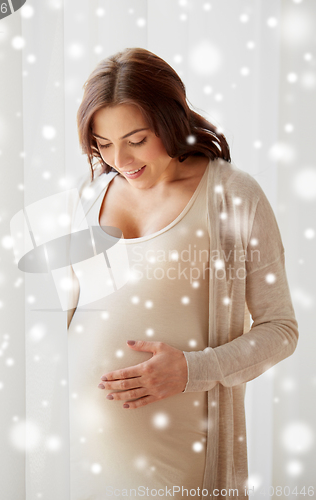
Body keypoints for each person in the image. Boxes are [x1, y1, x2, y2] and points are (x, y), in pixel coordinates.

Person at [67, 47, 299, 500]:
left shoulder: (233, 196)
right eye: (104, 144)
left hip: (185, 461)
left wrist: (193, 370)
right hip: (87, 460)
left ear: (171, 120)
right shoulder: (91, 195)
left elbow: (281, 330)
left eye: (136, 139)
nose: (121, 159)